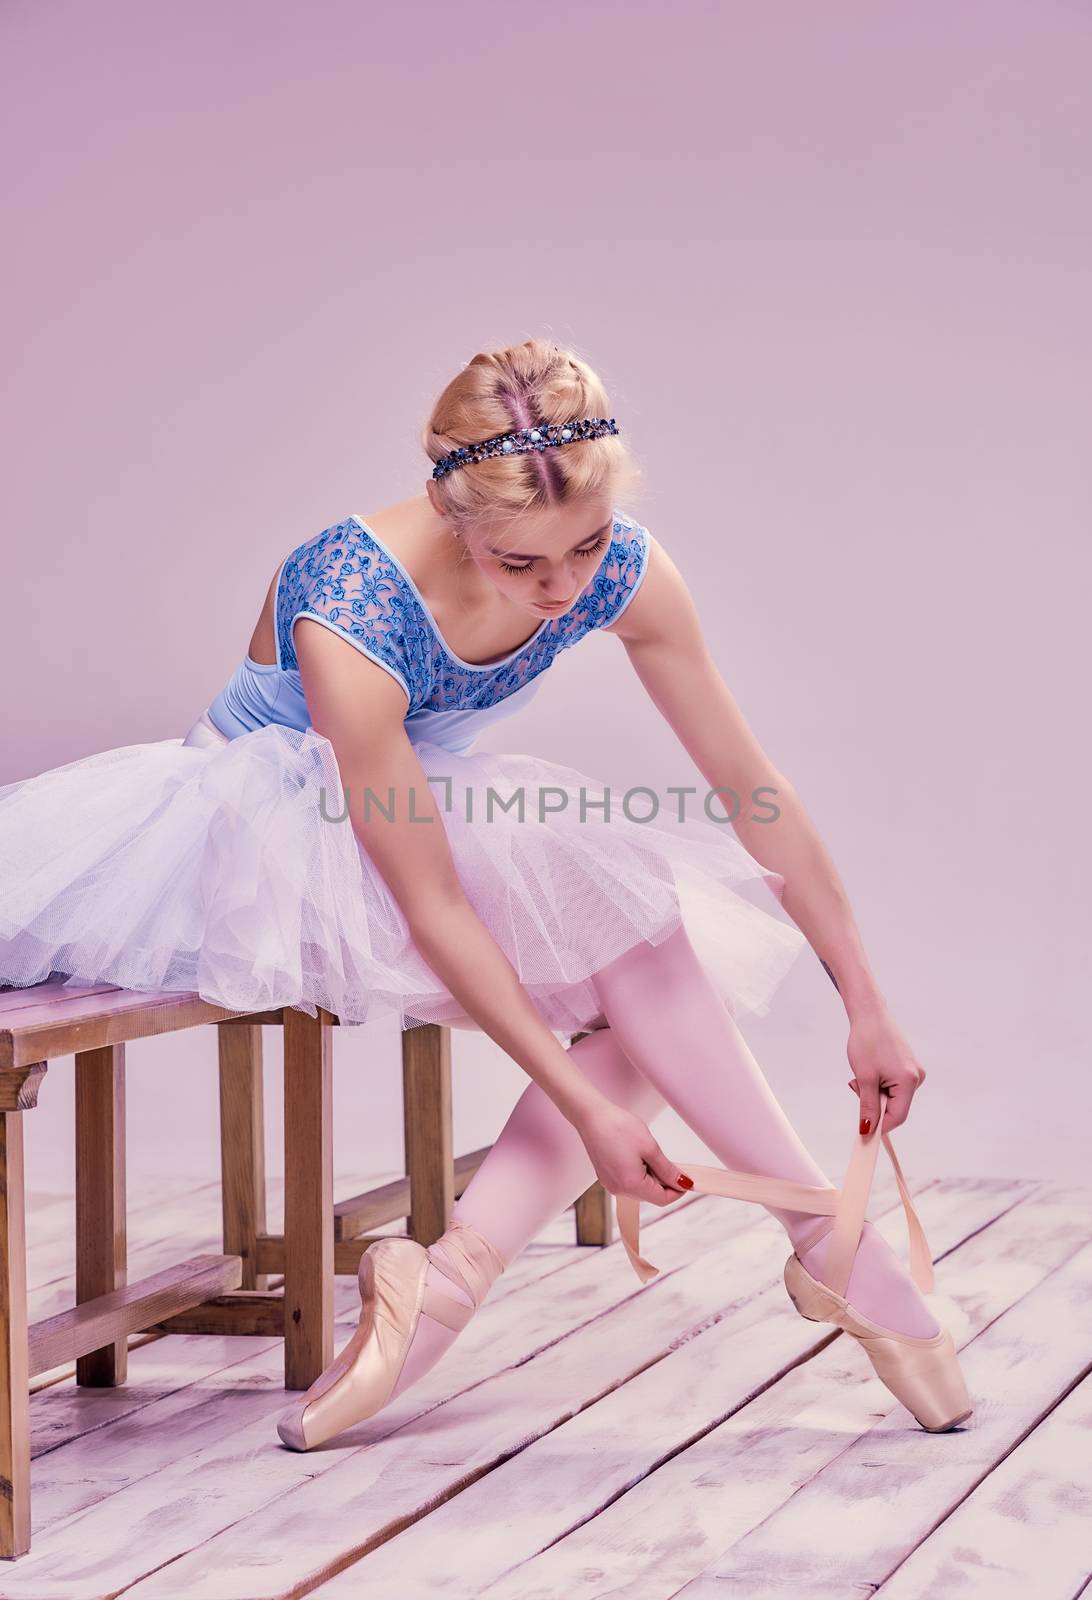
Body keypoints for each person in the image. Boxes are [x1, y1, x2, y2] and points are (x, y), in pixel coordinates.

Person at [0, 337, 971, 1450]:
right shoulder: (347, 591)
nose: (564, 590)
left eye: (588, 547)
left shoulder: (619, 567)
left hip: (419, 801)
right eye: (522, 565)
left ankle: (450, 1284)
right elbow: (434, 903)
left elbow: (751, 788)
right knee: (630, 924)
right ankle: (838, 1252)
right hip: (255, 827)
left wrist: (867, 1001)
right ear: (451, 514)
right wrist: (587, 1102)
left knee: (640, 932)